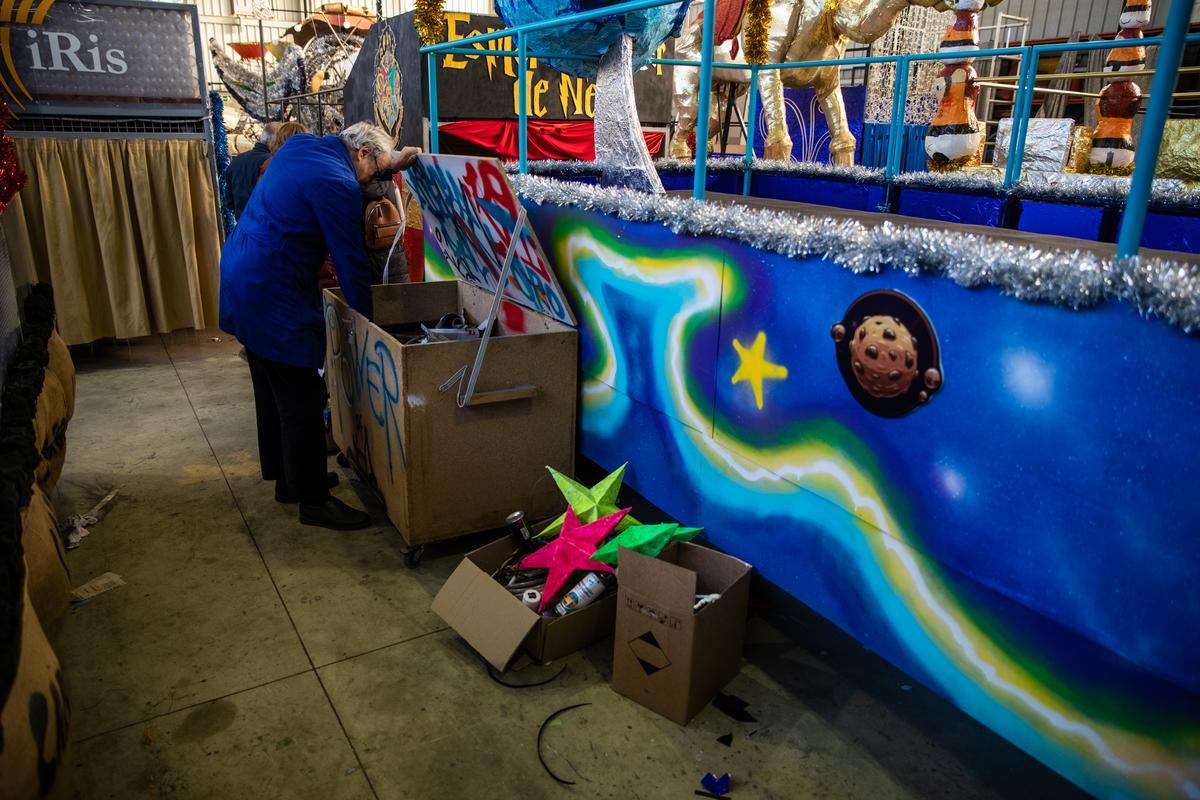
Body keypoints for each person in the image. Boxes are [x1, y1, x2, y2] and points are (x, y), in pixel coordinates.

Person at [219, 123, 420, 530]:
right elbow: (350, 263)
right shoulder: (336, 182)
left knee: (269, 385)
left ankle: (289, 479)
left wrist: (391, 162)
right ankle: (313, 502)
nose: (374, 179)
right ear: (362, 153)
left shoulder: (303, 148)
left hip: (241, 274)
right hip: (269, 289)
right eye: (377, 168)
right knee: (302, 397)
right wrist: (369, 324)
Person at [227, 121, 280, 218]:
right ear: (275, 141)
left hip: (242, 222)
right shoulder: (272, 163)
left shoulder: (237, 160)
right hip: (266, 224)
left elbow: (228, 201)